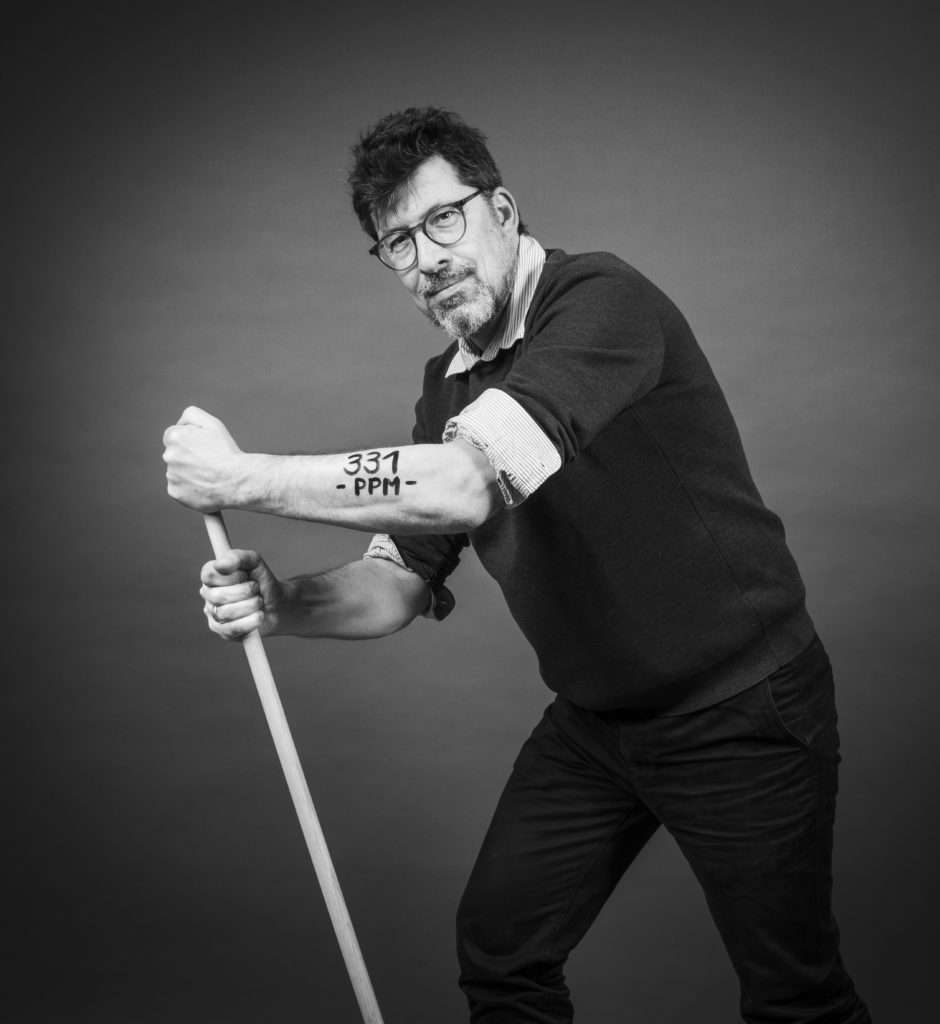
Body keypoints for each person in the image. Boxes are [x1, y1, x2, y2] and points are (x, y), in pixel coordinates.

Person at [163, 106, 871, 1023]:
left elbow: (465, 485)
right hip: (598, 724)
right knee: (502, 955)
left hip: (742, 706)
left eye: (442, 220)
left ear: (501, 209)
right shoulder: (446, 388)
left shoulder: (602, 301)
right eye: (398, 244)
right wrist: (283, 602)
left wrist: (243, 477)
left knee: (795, 1000)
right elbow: (398, 582)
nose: (427, 259)